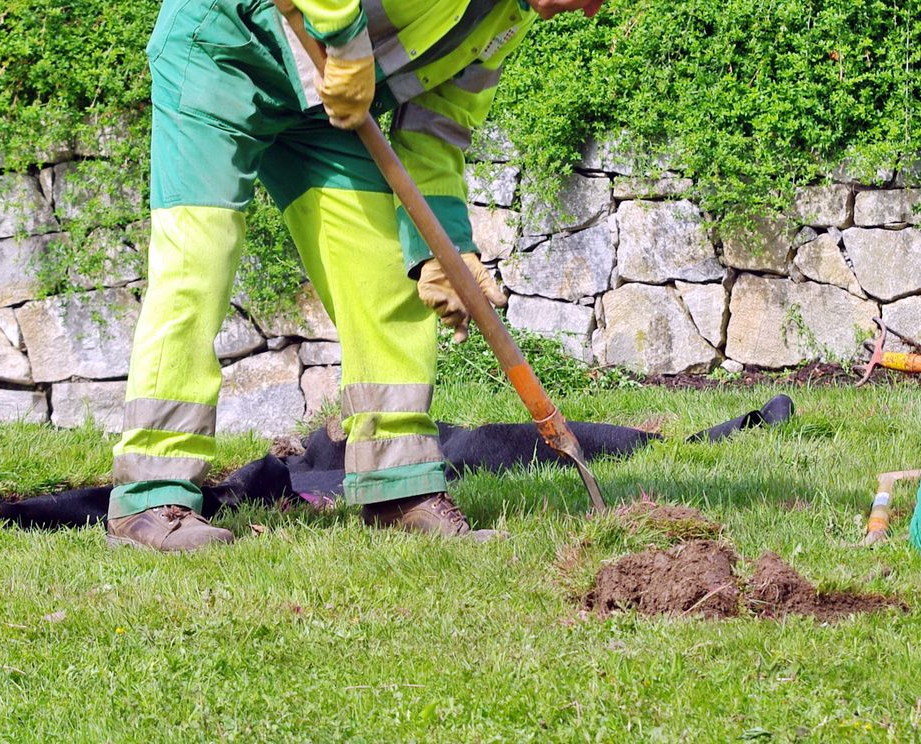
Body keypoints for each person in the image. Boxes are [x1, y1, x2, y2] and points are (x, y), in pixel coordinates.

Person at [106, 0, 606, 552]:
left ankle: (398, 486)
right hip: (225, 49)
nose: (591, 10)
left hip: (328, 106)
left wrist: (449, 253)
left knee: (384, 276)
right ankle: (150, 497)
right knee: (197, 258)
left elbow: (438, 129)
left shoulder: (505, 18)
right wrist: (344, 42)